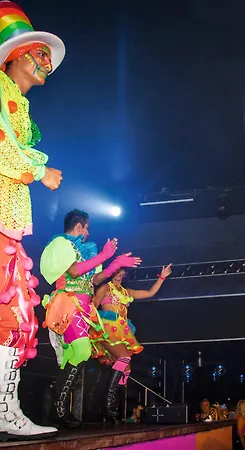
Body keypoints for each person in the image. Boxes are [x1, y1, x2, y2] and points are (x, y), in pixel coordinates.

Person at [0, 0, 65, 440]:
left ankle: (6, 410)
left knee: (15, 314)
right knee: (15, 314)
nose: (47, 63)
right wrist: (41, 171)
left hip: (9, 222)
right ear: (17, 55)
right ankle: (6, 412)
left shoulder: (16, 102)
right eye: (40, 53)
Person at [40, 209, 141, 428]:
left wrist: (114, 264)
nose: (87, 232)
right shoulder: (62, 244)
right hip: (69, 303)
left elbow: (95, 279)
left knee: (71, 355)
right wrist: (103, 256)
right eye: (86, 228)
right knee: (83, 350)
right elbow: (74, 272)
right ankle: (58, 409)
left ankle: (58, 410)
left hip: (84, 308)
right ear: (79, 226)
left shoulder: (86, 250)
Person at [90, 264, 171, 418]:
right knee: (124, 358)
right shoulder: (105, 288)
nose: (119, 274)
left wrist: (162, 277)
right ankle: (107, 402)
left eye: (122, 271)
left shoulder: (127, 292)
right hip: (107, 329)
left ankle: (113, 407)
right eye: (117, 270)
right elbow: (92, 307)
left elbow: (150, 292)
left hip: (121, 331)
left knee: (126, 370)